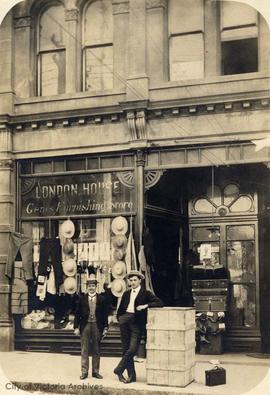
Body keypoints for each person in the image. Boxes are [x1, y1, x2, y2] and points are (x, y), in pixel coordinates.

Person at [114, 270, 163, 384]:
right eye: (130, 280)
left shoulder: (146, 293)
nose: (133, 282)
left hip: (137, 322)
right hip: (125, 320)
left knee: (132, 349)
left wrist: (145, 305)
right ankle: (131, 376)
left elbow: (160, 302)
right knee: (125, 349)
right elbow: (120, 309)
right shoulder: (126, 293)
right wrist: (120, 319)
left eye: (135, 280)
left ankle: (119, 369)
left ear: (140, 280)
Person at [74, 278, 112, 380]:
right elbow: (77, 314)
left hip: (97, 325)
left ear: (96, 287)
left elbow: (105, 315)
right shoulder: (82, 299)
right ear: (87, 288)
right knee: (84, 349)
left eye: (93, 286)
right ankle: (84, 372)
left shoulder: (101, 299)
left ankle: (95, 371)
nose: (91, 288)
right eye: (89, 286)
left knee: (96, 349)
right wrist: (76, 327)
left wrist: (105, 328)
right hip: (85, 325)